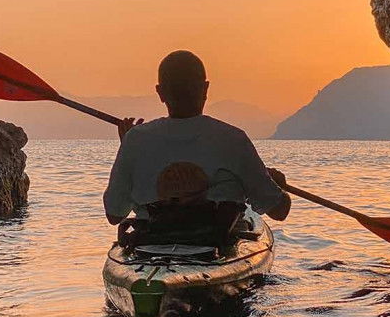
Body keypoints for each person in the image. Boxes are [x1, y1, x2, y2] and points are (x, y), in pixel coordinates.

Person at [103, 50, 291, 231]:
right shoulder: (233, 140)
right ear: (205, 88)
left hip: (151, 246)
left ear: (160, 92)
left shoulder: (135, 141)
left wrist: (129, 147)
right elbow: (279, 210)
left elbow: (115, 214)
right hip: (217, 243)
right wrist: (278, 187)